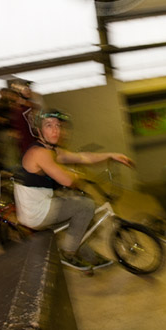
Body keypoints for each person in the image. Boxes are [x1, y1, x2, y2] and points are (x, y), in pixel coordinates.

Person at [13, 110, 134, 271]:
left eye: (58, 126)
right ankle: (68, 253)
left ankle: (89, 256)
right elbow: (67, 180)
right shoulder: (40, 153)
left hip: (39, 205)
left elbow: (83, 157)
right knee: (86, 205)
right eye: (49, 126)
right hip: (36, 212)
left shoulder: (51, 150)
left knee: (80, 219)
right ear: (39, 131)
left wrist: (111, 155)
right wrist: (78, 176)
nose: (55, 130)